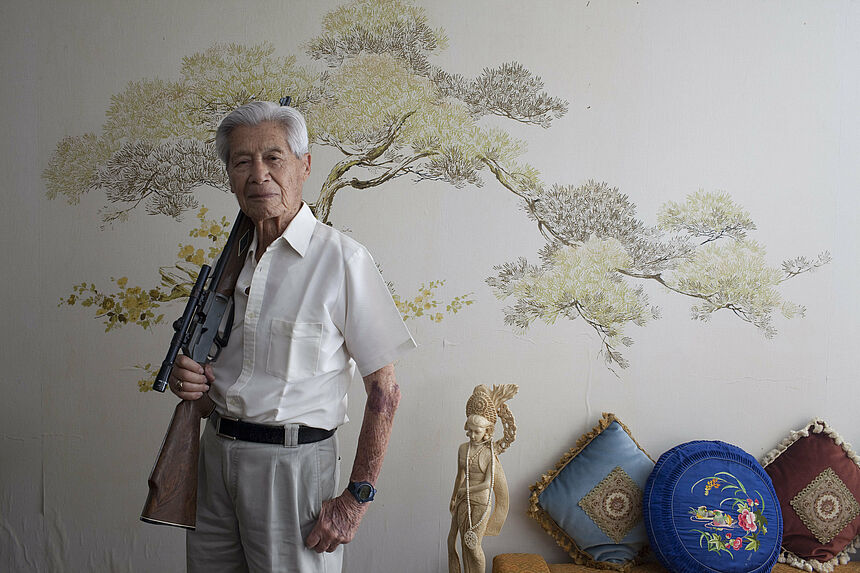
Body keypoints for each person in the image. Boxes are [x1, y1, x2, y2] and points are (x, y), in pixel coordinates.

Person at [167, 100, 416, 572]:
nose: (258, 174)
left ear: (304, 166)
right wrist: (193, 386)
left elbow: (385, 391)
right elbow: (214, 390)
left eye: (273, 157)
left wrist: (356, 499)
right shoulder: (228, 268)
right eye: (242, 161)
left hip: (294, 468)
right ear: (230, 176)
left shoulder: (342, 260)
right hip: (215, 458)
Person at [447, 385, 517, 573]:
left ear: (487, 431)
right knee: (462, 542)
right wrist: (454, 496)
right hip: (463, 500)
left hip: (480, 502)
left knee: (473, 544)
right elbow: (460, 475)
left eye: (476, 431)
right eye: (469, 430)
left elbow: (488, 484)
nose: (471, 435)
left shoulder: (489, 452)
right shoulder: (463, 449)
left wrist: (465, 491)